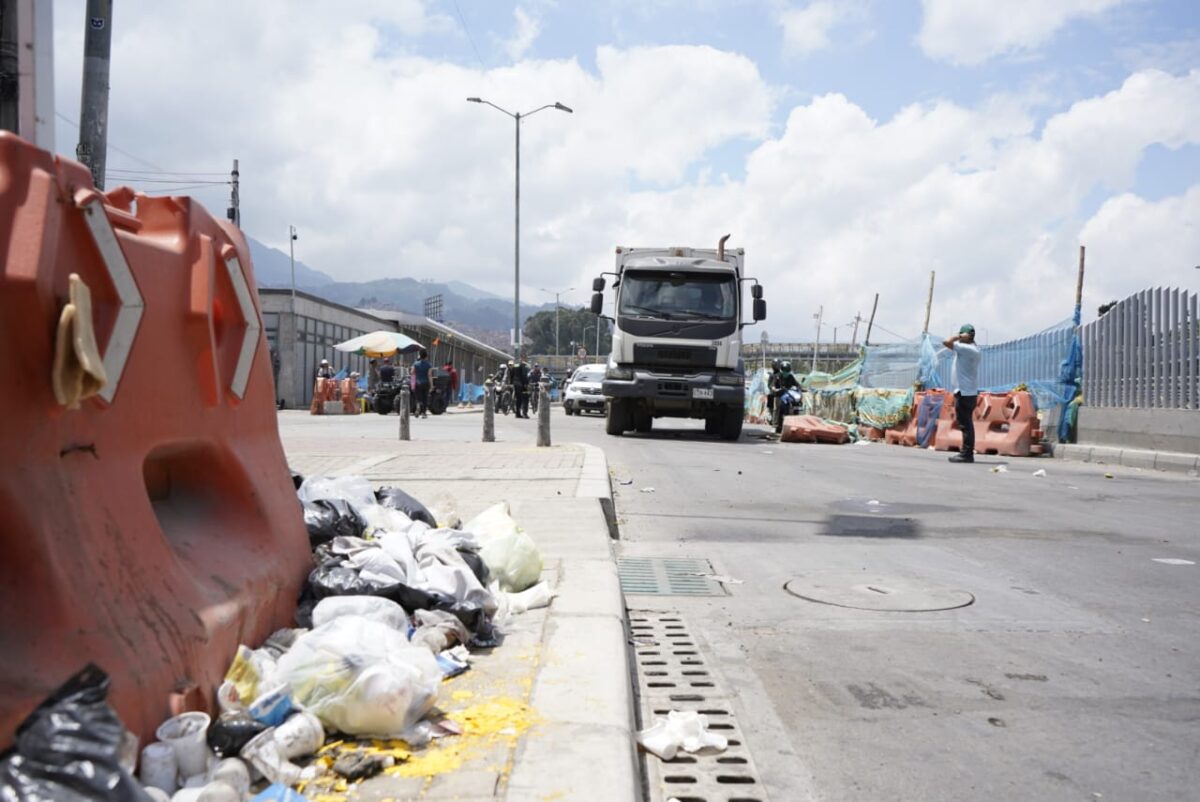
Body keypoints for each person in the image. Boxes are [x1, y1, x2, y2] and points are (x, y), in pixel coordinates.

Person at [943, 324, 981, 463]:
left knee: (965, 424)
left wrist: (958, 337)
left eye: (961, 334)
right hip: (967, 391)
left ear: (966, 335)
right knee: (966, 423)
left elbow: (946, 342)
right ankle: (966, 452)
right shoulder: (972, 349)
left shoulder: (967, 349)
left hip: (965, 392)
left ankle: (966, 454)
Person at [412, 349, 432, 418]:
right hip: (425, 383)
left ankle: (418, 407)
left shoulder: (415, 364)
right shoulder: (428, 365)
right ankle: (423, 413)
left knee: (418, 398)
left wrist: (412, 383)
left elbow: (412, 373)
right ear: (426, 356)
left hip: (417, 383)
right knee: (425, 398)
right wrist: (432, 385)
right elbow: (429, 375)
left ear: (420, 356)